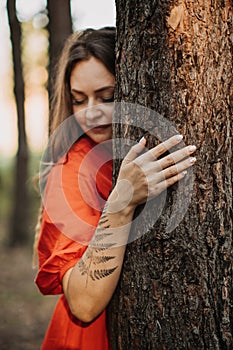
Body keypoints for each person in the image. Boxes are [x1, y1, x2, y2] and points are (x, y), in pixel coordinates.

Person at [34, 27, 197, 349]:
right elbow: (83, 303)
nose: (91, 112)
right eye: (79, 100)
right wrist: (121, 205)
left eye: (107, 97)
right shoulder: (71, 173)